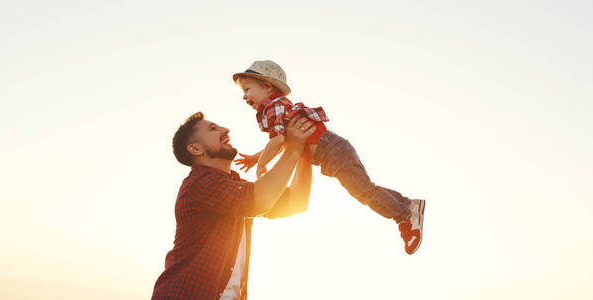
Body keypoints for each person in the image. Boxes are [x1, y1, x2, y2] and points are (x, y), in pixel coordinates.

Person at [232, 60, 426, 255]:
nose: (244, 97)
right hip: (334, 149)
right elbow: (282, 142)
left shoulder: (273, 108)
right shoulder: (276, 107)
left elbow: (277, 141)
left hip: (332, 151)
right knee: (366, 188)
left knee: (363, 192)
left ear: (266, 86)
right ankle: (409, 204)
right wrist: (257, 158)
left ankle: (404, 217)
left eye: (247, 89)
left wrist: (261, 165)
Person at [151, 112, 316, 300]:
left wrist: (304, 154)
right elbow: (260, 200)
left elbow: (296, 202)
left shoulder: (232, 186)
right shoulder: (200, 183)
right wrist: (293, 148)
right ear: (195, 149)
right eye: (213, 129)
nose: (225, 129)